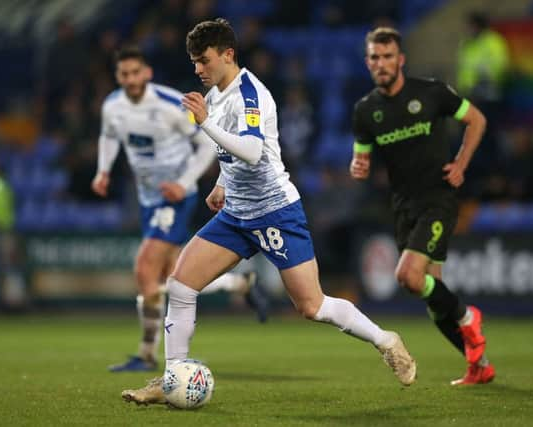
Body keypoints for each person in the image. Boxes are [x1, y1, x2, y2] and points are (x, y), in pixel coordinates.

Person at [121, 18, 416, 405]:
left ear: (227, 55)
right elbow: (230, 155)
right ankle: (173, 375)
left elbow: (254, 151)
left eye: (203, 60)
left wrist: (206, 125)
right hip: (236, 214)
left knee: (311, 306)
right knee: (180, 284)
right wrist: (222, 185)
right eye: (193, 62)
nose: (198, 69)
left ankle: (386, 341)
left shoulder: (250, 95)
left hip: (276, 211)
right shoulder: (214, 96)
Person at [92, 45, 267, 373]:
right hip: (147, 198)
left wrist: (183, 183)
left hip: (175, 196)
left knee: (145, 268)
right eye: (123, 74)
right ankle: (239, 284)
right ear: (118, 76)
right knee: (173, 278)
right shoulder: (112, 106)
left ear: (147, 73)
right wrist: (103, 170)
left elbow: (206, 146)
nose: (130, 79)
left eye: (135, 72)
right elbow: (109, 137)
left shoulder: (171, 104)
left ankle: (146, 354)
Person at [349, 27, 494, 385]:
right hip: (404, 208)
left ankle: (467, 318)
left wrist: (461, 163)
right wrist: (358, 167)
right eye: (374, 58)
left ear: (401, 60)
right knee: (433, 296)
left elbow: (477, 119)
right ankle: (479, 365)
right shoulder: (365, 111)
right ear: (368, 63)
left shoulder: (431, 93)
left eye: (387, 57)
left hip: (438, 199)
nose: (381, 63)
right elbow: (360, 160)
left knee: (409, 277)